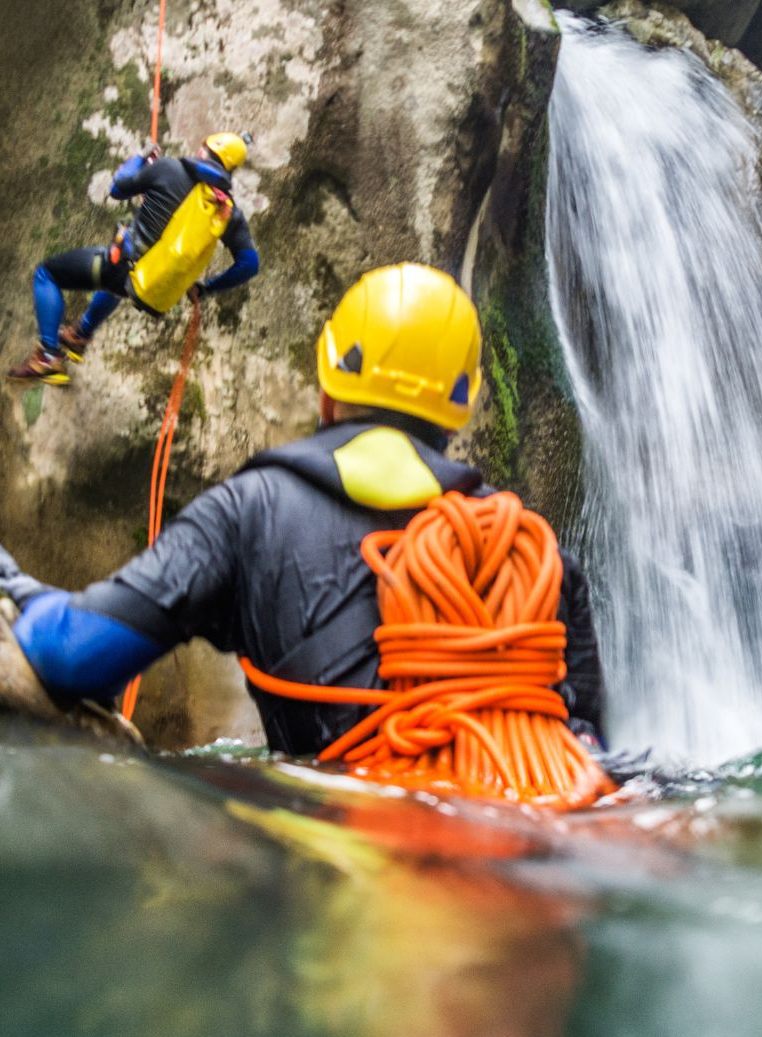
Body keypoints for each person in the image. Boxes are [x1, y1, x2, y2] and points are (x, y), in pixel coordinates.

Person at [0, 263, 604, 752]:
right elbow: (587, 744)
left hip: (339, 859)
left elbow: (72, 656)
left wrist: (22, 590)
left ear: (328, 382)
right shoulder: (535, 551)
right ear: (462, 405)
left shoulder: (248, 512)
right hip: (520, 857)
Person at [7, 132, 261, 386]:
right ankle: (80, 335)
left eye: (202, 146)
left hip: (119, 265)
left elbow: (118, 188)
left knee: (46, 274)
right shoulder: (226, 211)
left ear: (207, 151)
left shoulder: (169, 168)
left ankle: (48, 356)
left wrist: (140, 158)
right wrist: (206, 289)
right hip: (144, 281)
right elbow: (249, 265)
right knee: (116, 286)